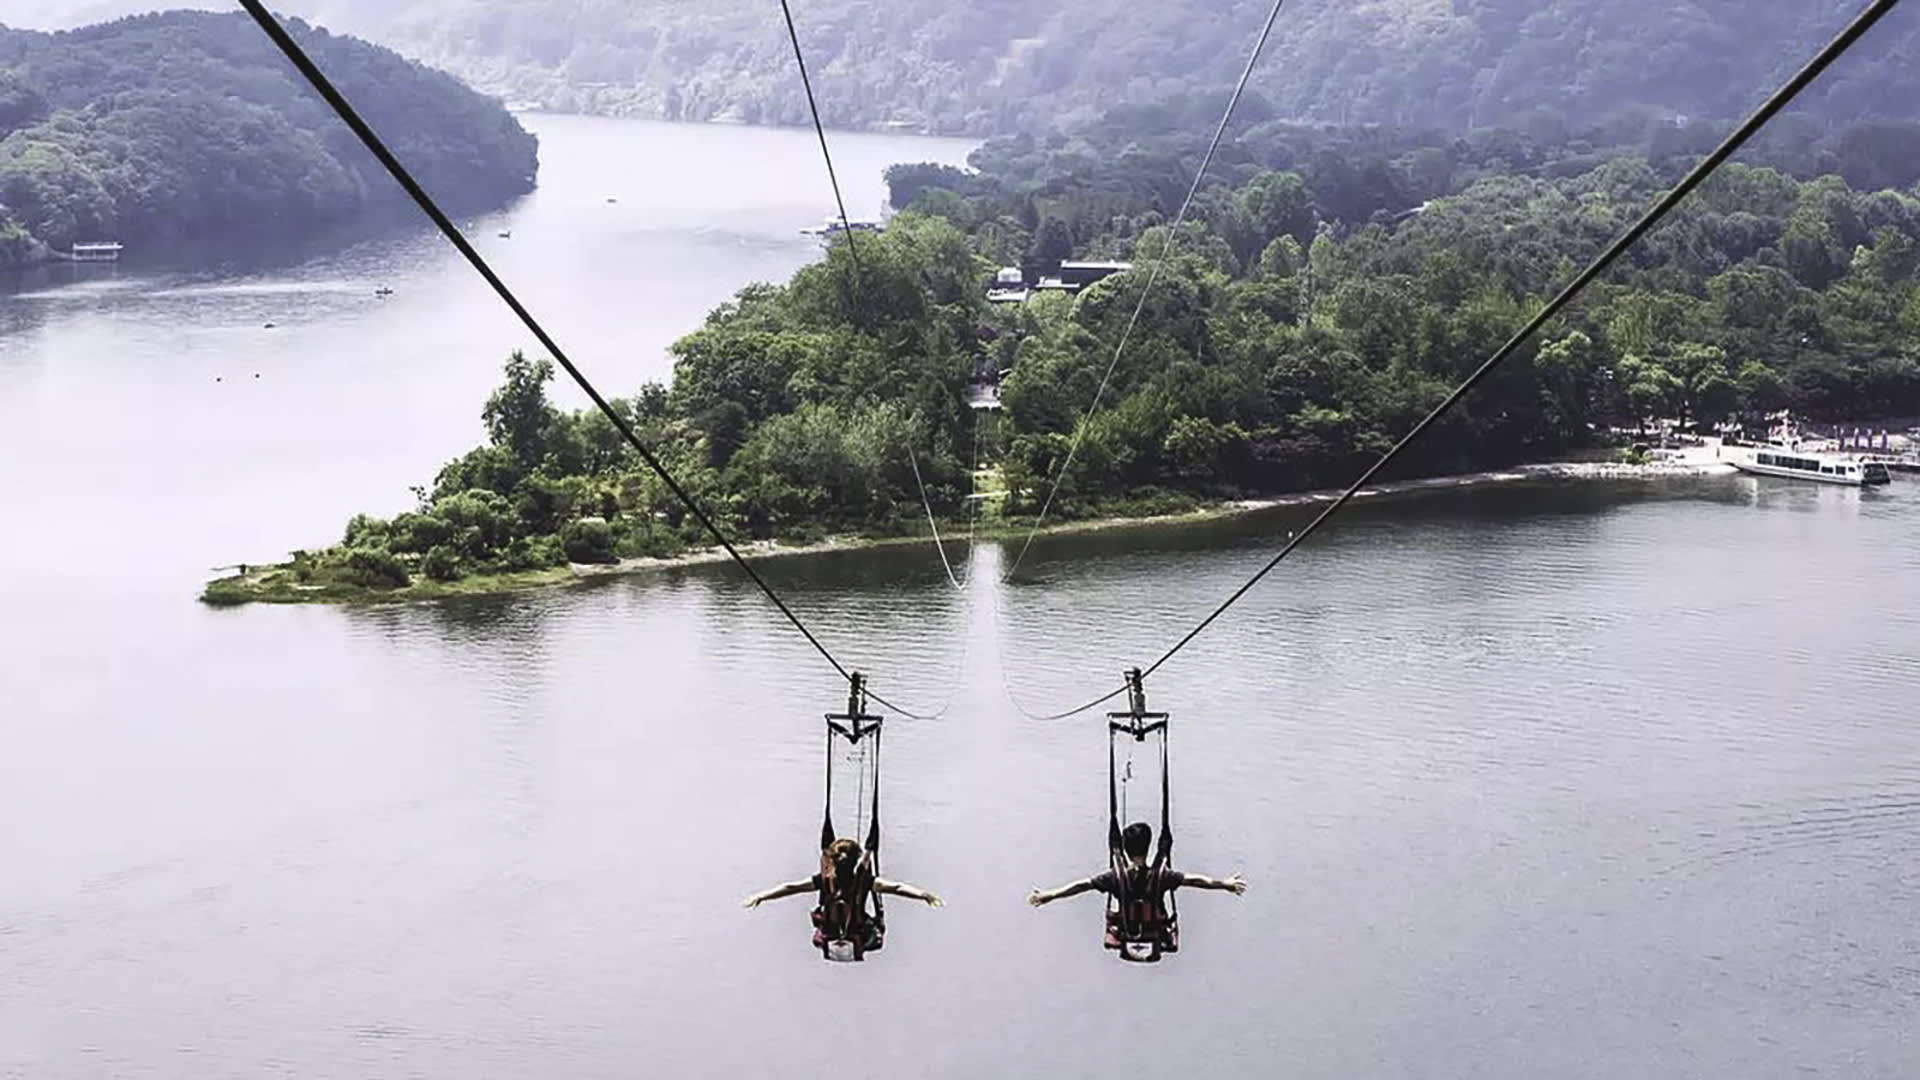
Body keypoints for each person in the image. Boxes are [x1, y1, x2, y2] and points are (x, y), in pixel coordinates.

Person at [1027, 822, 1245, 954]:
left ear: (1125, 849)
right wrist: (1224, 884)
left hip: (1125, 934)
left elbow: (1083, 885)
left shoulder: (1115, 878)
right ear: (1149, 846)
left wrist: (1051, 895)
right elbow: (1196, 881)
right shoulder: (1161, 876)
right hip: (1156, 933)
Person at [742, 837, 942, 959]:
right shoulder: (856, 881)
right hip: (847, 933)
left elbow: (791, 887)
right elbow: (791, 887)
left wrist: (923, 895)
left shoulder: (835, 881)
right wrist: (923, 895)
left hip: (848, 933)